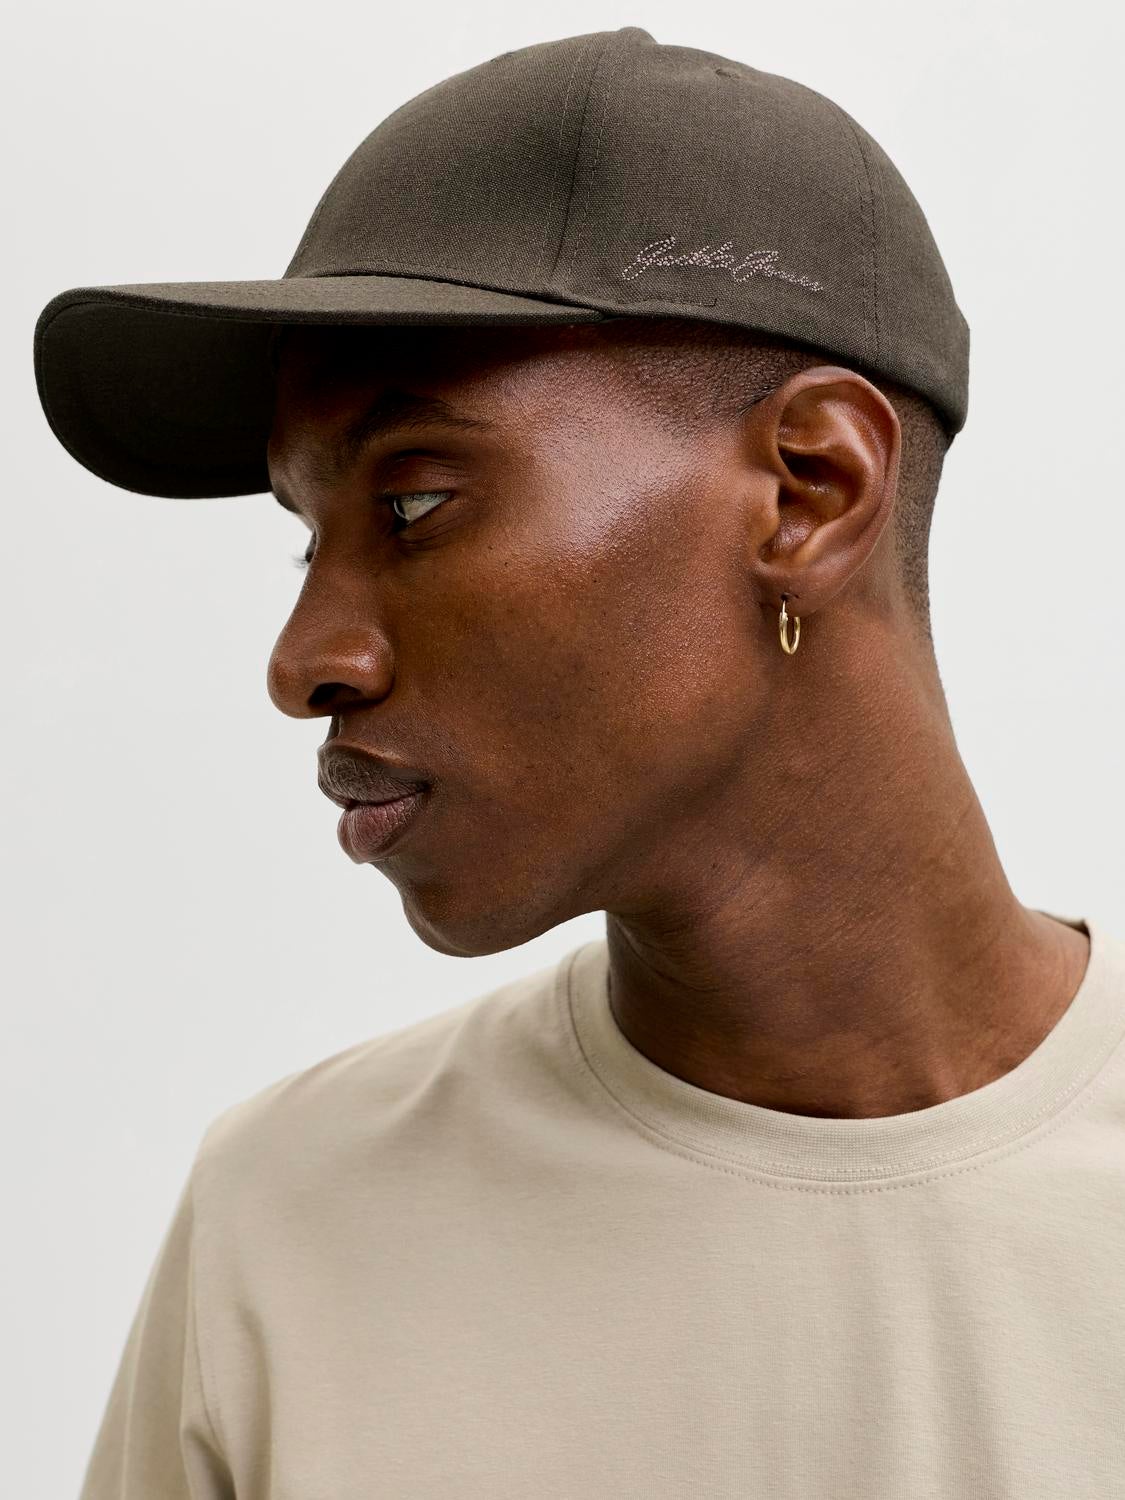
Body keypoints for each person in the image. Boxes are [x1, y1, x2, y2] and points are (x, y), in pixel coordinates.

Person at [34, 26, 1125, 1500]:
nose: (304, 662)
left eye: (412, 506)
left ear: (810, 491)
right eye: (306, 540)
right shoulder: (290, 1231)